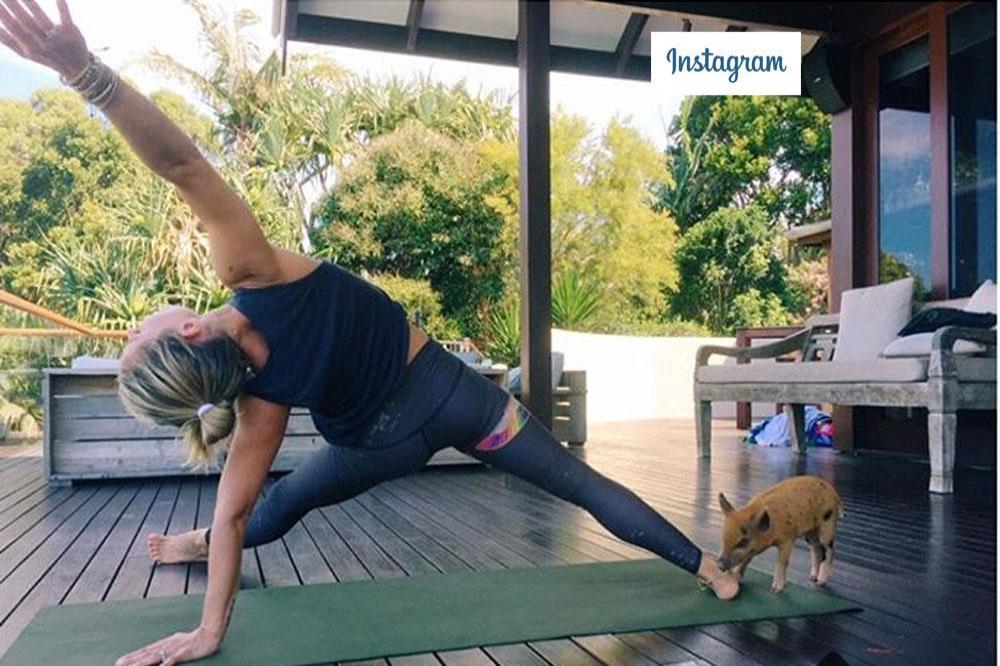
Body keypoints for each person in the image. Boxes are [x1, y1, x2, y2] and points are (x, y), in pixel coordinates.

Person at [0, 2, 740, 664]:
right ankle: (709, 569)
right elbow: (183, 165)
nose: (142, 320)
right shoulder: (252, 271)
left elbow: (231, 517)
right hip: (460, 401)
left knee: (277, 507)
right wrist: (86, 74)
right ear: (188, 331)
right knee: (579, 482)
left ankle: (186, 549)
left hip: (378, 445)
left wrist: (210, 631)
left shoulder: (260, 404)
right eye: (142, 331)